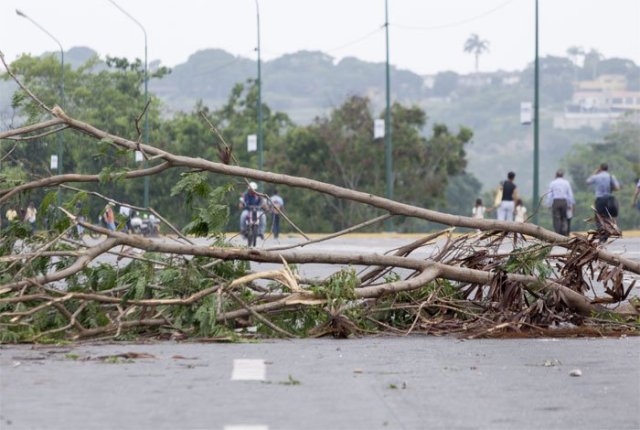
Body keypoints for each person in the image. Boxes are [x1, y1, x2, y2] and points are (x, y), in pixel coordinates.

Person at [586, 162, 620, 243]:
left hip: (600, 199)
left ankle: (602, 235)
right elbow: (617, 188)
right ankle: (605, 237)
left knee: (598, 218)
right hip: (609, 199)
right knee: (607, 218)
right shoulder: (611, 176)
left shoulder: (597, 176)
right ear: (607, 168)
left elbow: (588, 181)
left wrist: (595, 172)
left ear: (600, 168)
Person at [544, 169, 575, 236]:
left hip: (556, 202)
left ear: (556, 175)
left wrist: (548, 204)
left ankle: (558, 234)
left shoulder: (553, 183)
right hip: (564, 201)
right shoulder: (566, 183)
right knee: (564, 218)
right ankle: (564, 233)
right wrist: (570, 204)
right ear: (562, 175)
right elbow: (570, 194)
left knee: (556, 218)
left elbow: (550, 195)